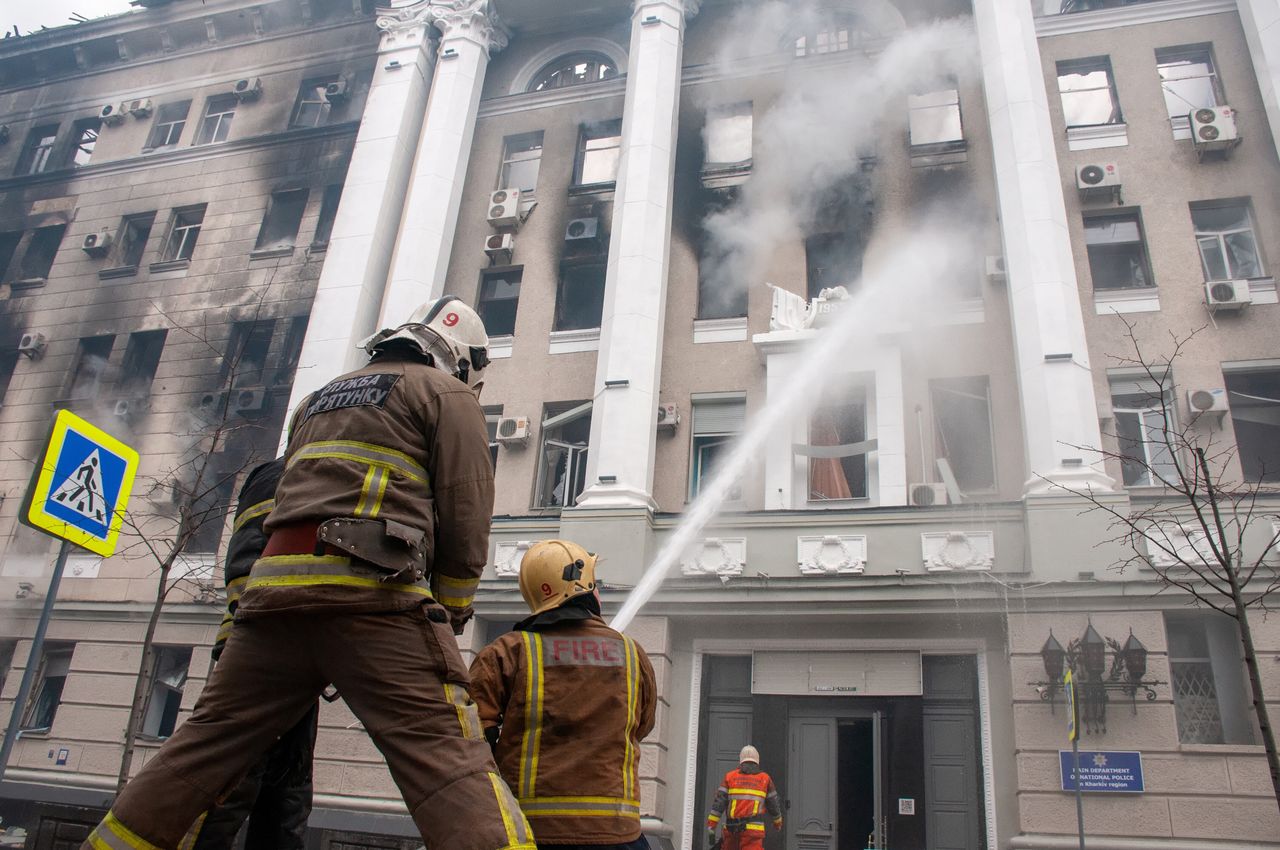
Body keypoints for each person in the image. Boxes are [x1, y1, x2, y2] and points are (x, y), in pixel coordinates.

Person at [84, 296, 535, 850]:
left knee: (201, 750)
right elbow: (466, 513)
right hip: (373, 595)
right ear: (462, 360)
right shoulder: (447, 394)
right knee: (448, 757)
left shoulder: (314, 402)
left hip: (269, 605)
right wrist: (449, 608)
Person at [469, 540, 657, 850]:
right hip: (618, 834)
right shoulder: (632, 653)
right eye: (596, 584)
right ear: (582, 587)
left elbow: (473, 737)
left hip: (530, 831)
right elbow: (643, 726)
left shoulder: (508, 652)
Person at [185, 457, 319, 850]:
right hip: (264, 648)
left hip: (281, 649)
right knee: (232, 783)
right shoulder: (290, 474)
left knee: (286, 788)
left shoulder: (295, 472)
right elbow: (257, 565)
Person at [705, 746, 783, 850]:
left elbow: (718, 804)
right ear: (757, 761)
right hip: (753, 832)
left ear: (741, 761)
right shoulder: (765, 779)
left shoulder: (730, 777)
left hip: (731, 829)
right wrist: (777, 823)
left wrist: (711, 827)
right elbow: (773, 804)